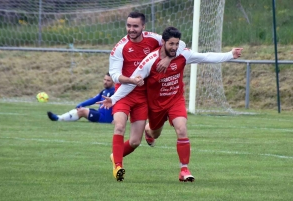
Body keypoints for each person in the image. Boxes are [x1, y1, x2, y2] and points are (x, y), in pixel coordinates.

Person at [99, 27, 243, 182]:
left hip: (175, 100)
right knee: (155, 133)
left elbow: (205, 57)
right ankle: (148, 131)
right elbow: (133, 81)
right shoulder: (150, 61)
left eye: (176, 44)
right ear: (163, 43)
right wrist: (114, 98)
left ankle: (184, 170)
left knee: (181, 129)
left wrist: (230, 54)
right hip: (156, 105)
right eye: (171, 44)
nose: (174, 47)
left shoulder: (183, 54)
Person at [109, 12, 187, 181]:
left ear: (143, 27)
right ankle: (118, 167)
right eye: (129, 25)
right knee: (119, 126)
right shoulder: (120, 48)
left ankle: (115, 155)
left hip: (143, 96)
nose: (131, 29)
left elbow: (178, 44)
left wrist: (167, 58)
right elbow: (114, 74)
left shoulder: (153, 39)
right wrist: (130, 80)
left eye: (135, 26)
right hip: (124, 93)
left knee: (135, 141)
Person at [47, 72, 115, 123]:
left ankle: (58, 118)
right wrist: (81, 104)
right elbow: (94, 100)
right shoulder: (104, 91)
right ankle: (59, 118)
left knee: (82, 111)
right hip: (99, 114)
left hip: (104, 119)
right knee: (81, 109)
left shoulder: (114, 92)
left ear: (114, 81)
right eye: (104, 80)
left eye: (108, 80)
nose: (105, 82)